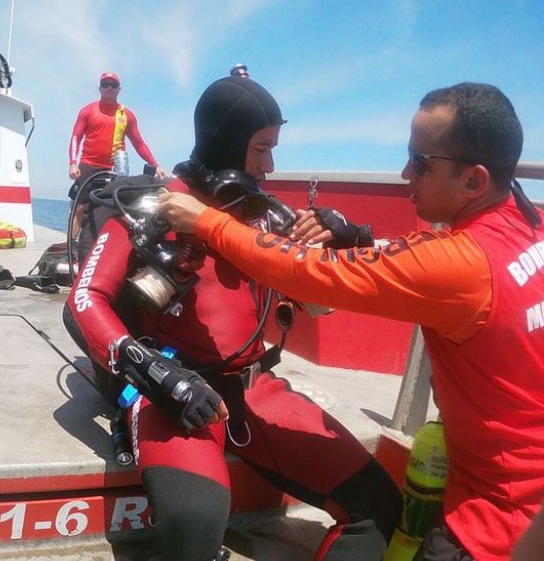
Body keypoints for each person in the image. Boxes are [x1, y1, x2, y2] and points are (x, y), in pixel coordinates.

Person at [158, 82, 544, 560]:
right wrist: (358, 235)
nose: (406, 174)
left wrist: (208, 221)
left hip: (493, 523)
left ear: (475, 181)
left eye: (420, 163)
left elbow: (312, 275)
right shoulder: (529, 224)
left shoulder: (463, 263)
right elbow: (422, 265)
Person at [66, 76, 401, 561]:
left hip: (255, 390)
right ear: (226, 143)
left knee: (380, 504)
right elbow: (83, 300)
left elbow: (321, 307)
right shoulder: (149, 208)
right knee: (194, 528)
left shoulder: (268, 217)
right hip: (174, 396)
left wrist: (336, 246)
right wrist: (154, 372)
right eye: (261, 149)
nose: (271, 166)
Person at [67, 72, 163, 238]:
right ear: (100, 88)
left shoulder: (127, 115)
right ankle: (69, 246)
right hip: (88, 166)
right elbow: (76, 137)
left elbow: (139, 143)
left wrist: (155, 165)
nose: (109, 88)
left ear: (119, 89)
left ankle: (98, 245)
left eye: (113, 85)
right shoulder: (88, 111)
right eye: (105, 84)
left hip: (113, 169)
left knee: (109, 207)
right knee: (79, 207)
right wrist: (72, 163)